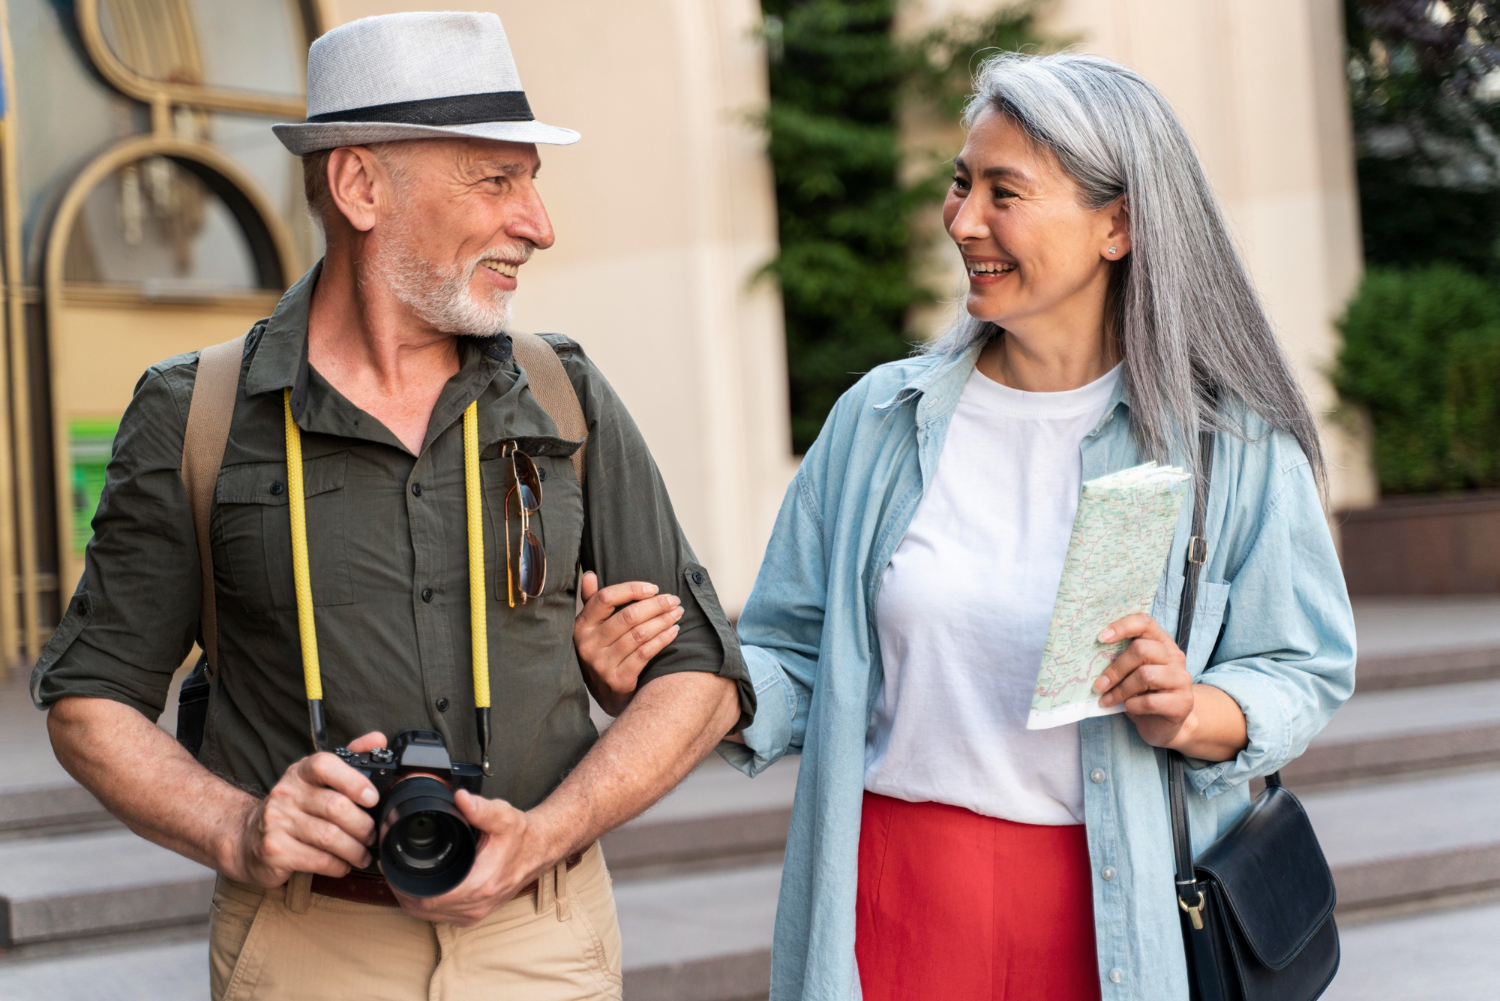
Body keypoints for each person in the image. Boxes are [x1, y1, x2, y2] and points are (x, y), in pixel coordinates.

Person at [575, 52, 1356, 1001]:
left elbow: (1301, 662)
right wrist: (674, 681)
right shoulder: (877, 422)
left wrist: (1195, 710)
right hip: (897, 901)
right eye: (961, 182)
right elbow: (789, 652)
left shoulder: (1225, 445)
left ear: (1120, 224)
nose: (963, 219)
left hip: (1120, 913)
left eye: (1005, 191)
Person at [33, 13, 750, 1001]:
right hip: (305, 947)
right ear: (360, 185)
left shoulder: (564, 388)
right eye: (496, 181)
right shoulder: (193, 413)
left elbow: (703, 675)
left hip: (547, 936)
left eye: (530, 181)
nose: (539, 223)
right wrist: (235, 825)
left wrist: (550, 827)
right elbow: (88, 700)